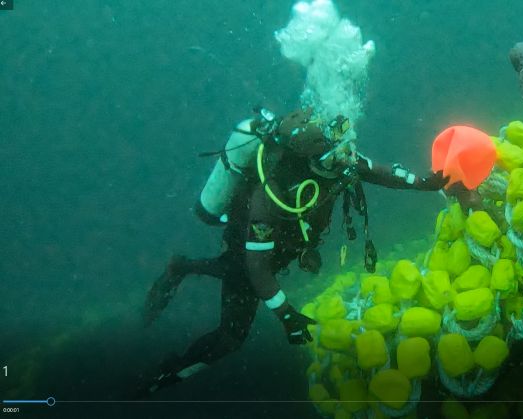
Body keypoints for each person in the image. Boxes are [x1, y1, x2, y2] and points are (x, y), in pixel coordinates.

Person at [137, 107, 447, 396]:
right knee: (231, 336)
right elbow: (257, 266)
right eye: (338, 156)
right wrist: (286, 315)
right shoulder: (270, 194)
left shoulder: (337, 159)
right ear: (315, 157)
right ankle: (165, 376)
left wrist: (423, 183)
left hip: (279, 251)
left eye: (345, 149)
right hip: (249, 255)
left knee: (231, 269)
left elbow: (377, 170)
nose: (347, 159)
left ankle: (183, 267)